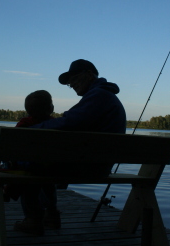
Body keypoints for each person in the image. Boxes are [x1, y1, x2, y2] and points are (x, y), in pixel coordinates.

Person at [14, 59, 127, 235]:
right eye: (69, 83)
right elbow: (72, 123)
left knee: (28, 166)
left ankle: (33, 219)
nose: (71, 84)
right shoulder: (102, 96)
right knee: (40, 164)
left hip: (89, 166)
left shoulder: (98, 96)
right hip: (96, 164)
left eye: (74, 78)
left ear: (89, 74)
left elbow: (68, 122)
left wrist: (31, 130)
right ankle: (51, 215)